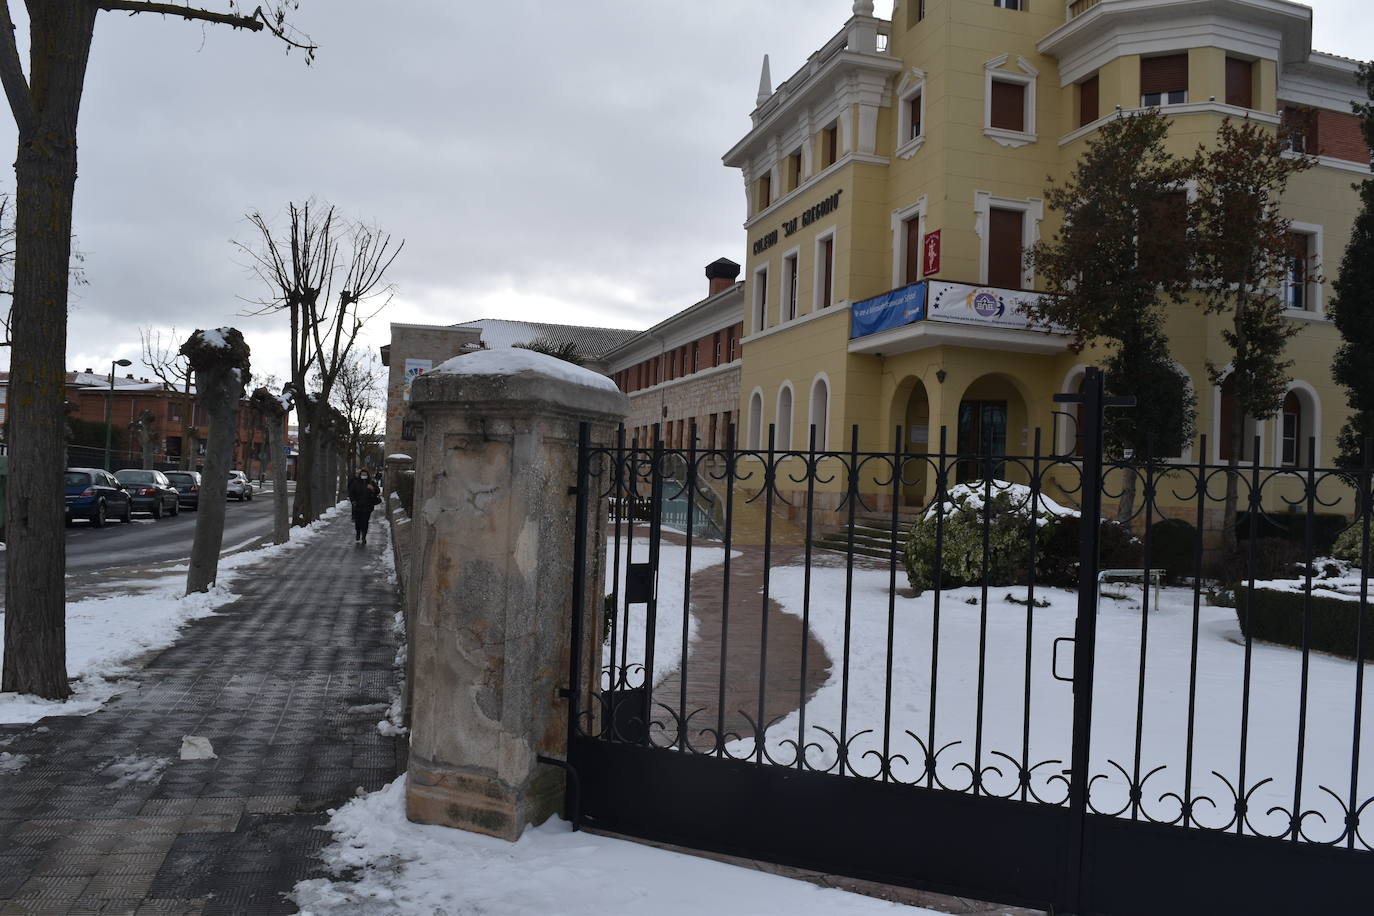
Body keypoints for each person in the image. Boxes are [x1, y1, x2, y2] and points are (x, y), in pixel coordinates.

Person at [346, 469, 380, 544]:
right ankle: (358, 532)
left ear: (367, 475)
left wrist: (373, 489)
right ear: (360, 475)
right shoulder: (356, 483)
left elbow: (378, 491)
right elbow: (351, 493)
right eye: (362, 474)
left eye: (365, 474)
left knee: (365, 522)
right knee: (358, 521)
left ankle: (364, 536)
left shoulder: (371, 483)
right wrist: (353, 501)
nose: (364, 476)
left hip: (368, 506)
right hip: (358, 506)